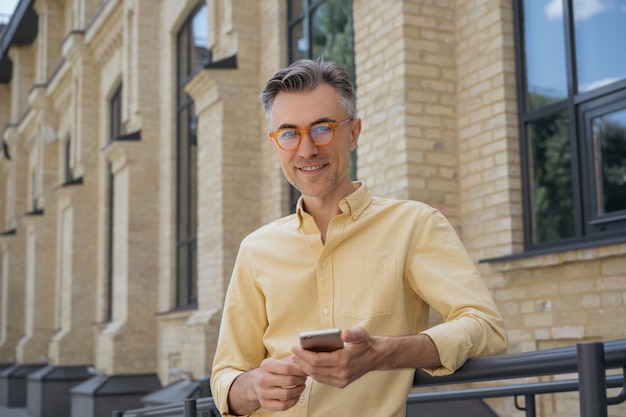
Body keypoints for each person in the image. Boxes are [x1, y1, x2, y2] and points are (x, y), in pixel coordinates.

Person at [210, 58, 507, 417]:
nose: (306, 150)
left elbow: (485, 326)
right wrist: (254, 386)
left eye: (322, 128)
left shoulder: (414, 224)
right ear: (275, 145)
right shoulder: (255, 249)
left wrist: (384, 354)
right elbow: (226, 375)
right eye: (289, 133)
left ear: (353, 133)